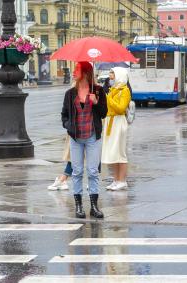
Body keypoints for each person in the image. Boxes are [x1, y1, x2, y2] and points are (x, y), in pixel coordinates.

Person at [61, 61, 107, 219]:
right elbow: (64, 115)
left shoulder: (99, 91)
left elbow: (104, 113)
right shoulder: (70, 93)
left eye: (77, 69)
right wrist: (69, 126)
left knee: (93, 171)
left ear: (86, 72)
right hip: (76, 138)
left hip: (93, 137)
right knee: (77, 171)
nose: (73, 72)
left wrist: (95, 103)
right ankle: (79, 205)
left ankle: (94, 206)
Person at [102, 67, 131, 191]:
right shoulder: (113, 89)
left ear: (119, 75)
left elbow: (121, 108)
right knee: (112, 152)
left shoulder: (124, 90)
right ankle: (115, 179)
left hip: (118, 122)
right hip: (110, 122)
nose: (110, 75)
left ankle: (122, 180)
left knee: (120, 152)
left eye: (112, 73)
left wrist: (109, 99)